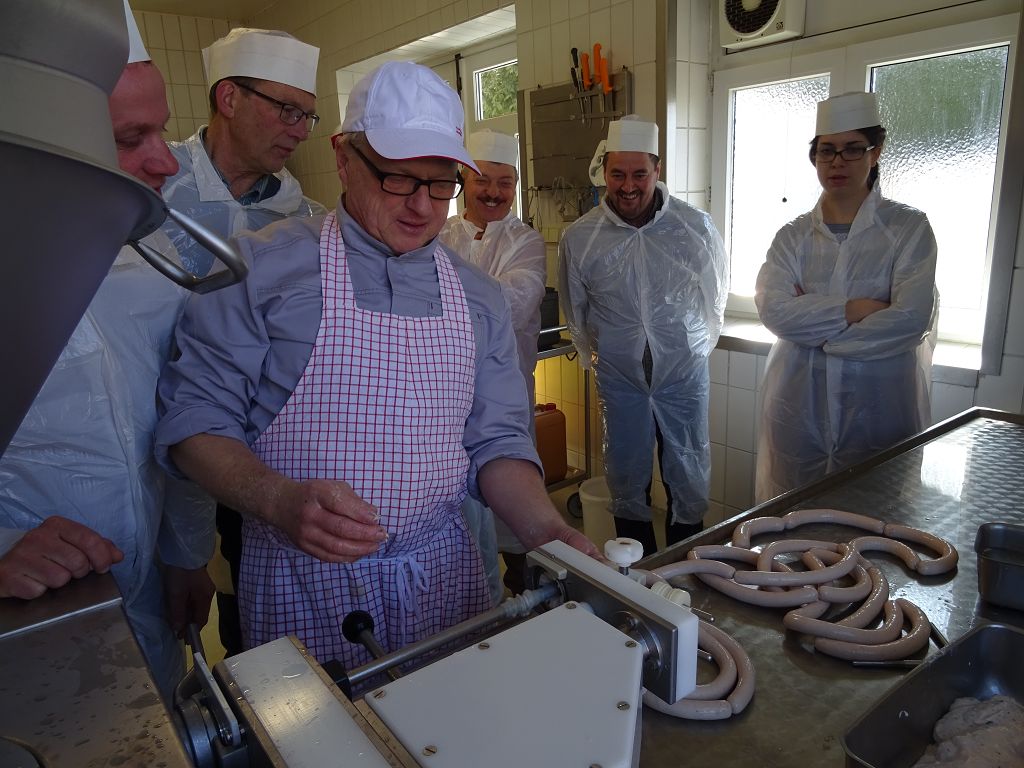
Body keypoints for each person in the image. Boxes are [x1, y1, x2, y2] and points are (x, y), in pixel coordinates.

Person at [155, 61, 599, 672]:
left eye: (440, 184)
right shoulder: (258, 271)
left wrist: (547, 532)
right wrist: (276, 499)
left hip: (443, 575)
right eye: (397, 178)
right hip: (301, 584)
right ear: (343, 157)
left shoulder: (478, 298)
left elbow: (497, 441)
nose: (421, 206)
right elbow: (194, 423)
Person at [0, 1, 215, 699]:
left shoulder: (152, 254)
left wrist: (187, 555)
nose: (167, 161)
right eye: (130, 138)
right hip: (29, 619)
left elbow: (178, 418)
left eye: (161, 129)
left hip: (145, 592)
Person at [160, 26, 324, 655]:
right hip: (138, 447)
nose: (299, 130)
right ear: (228, 98)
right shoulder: (152, 189)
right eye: (286, 110)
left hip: (249, 461)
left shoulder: (305, 221)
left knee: (249, 620)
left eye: (307, 116)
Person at [754, 91, 938, 502]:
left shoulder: (908, 229)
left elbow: (910, 320)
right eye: (827, 151)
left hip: (878, 407)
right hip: (798, 408)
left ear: (876, 152)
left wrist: (817, 333)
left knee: (875, 517)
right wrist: (857, 309)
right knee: (792, 519)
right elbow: (775, 311)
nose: (837, 161)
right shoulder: (792, 237)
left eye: (853, 149)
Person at [559, 116, 728, 557]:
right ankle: (635, 578)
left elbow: (714, 302)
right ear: (605, 171)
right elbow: (575, 310)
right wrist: (597, 357)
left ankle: (688, 572)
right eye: (618, 174)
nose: (628, 186)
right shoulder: (582, 237)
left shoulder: (694, 228)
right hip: (620, 380)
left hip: (683, 378)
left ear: (657, 169)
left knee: (687, 479)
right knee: (626, 481)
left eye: (639, 174)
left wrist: (689, 354)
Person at [438, 129, 546, 601]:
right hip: (440, 399)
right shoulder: (437, 234)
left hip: (504, 397)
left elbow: (510, 305)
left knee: (515, 506)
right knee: (453, 511)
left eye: (506, 182)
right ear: (464, 178)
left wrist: (440, 301)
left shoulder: (526, 241)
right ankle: (471, 601)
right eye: (483, 180)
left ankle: (526, 599)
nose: (494, 192)